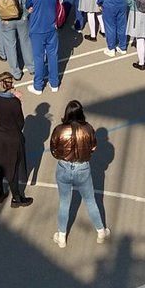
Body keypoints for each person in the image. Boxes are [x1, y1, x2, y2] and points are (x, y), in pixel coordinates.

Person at [49, 101, 108, 247]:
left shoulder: (59, 129)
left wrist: (62, 157)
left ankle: (61, 236)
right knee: (90, 200)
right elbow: (93, 147)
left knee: (64, 202)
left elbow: (53, 149)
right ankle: (101, 231)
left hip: (63, 167)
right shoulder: (88, 129)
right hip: (83, 168)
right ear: (81, 113)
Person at [0, 73, 33, 207]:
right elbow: (20, 123)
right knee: (12, 168)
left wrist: (11, 92)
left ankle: (0, 194)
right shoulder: (14, 103)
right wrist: (15, 96)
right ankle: (16, 198)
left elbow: (0, 92)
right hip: (12, 139)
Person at [26, 0, 62, 93]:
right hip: (51, 27)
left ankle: (38, 86)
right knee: (53, 55)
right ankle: (54, 83)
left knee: (39, 58)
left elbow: (28, 5)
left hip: (37, 29)